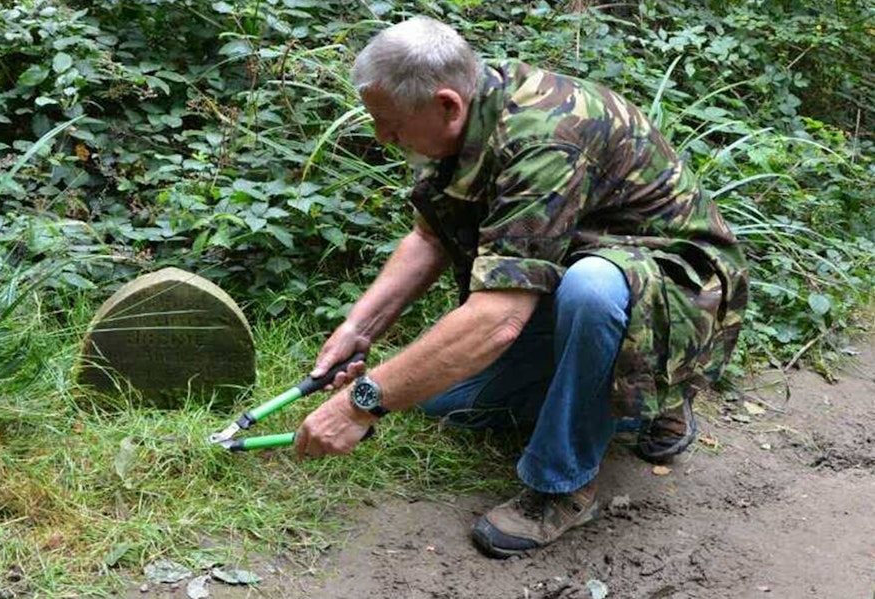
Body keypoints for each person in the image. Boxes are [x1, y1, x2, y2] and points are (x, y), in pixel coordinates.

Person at [293, 16, 749, 559]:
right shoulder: (470, 117)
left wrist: (359, 405)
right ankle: (628, 403)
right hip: (576, 278)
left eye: (389, 123)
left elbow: (499, 319)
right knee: (442, 400)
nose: (381, 136)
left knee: (593, 287)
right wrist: (358, 329)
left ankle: (564, 483)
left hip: (673, 296)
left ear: (446, 104)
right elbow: (430, 237)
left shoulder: (543, 136)